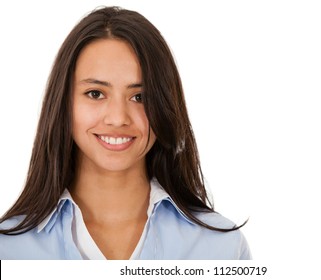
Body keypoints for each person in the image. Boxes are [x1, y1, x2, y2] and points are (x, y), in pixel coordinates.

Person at [0, 6, 251, 260]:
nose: (118, 118)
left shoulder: (222, 248)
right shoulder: (8, 250)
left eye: (139, 97)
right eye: (95, 93)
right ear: (63, 102)